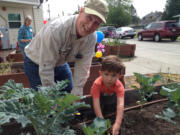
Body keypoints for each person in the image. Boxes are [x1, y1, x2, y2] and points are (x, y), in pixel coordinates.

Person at [24, 0, 109, 95]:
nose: (90, 26)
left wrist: (77, 90)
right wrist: (51, 96)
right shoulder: (56, 29)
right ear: (81, 12)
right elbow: (46, 66)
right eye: (89, 17)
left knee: (70, 92)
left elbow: (83, 65)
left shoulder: (92, 37)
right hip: (36, 61)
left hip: (60, 62)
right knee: (44, 101)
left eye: (96, 23)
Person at [90, 55, 125, 135]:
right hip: (99, 100)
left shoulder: (119, 86)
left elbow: (120, 104)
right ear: (100, 73)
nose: (109, 79)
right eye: (106, 74)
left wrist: (117, 124)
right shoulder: (97, 84)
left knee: (114, 104)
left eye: (113, 75)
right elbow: (96, 103)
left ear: (119, 76)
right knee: (95, 106)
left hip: (110, 99)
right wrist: (102, 121)